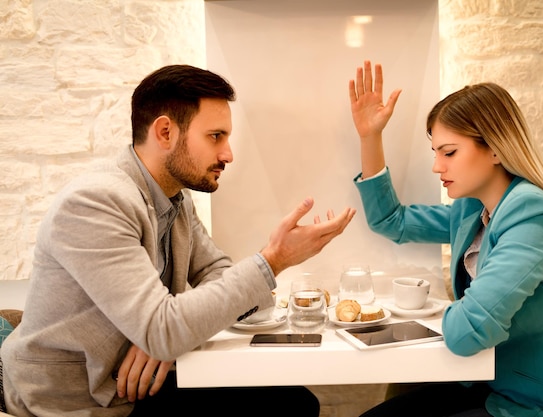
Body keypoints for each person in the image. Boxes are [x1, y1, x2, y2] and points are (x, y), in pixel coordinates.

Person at [1, 64, 357, 416]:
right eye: (216, 136)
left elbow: (217, 275)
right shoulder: (96, 203)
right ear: (166, 132)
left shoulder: (175, 198)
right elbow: (166, 327)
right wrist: (274, 259)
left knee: (294, 402)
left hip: (133, 386)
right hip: (74, 403)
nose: (228, 154)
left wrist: (164, 337)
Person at [348, 61, 543, 417]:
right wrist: (369, 137)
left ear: (497, 149)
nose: (437, 167)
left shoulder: (537, 217)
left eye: (449, 152)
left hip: (540, 402)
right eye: (435, 153)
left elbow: (469, 331)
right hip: (490, 381)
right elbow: (391, 221)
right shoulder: (473, 209)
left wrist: (449, 311)